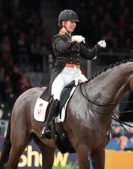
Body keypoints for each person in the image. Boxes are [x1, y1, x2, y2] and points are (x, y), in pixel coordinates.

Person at [41, 9, 106, 138]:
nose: (74, 24)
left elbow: (88, 54)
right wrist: (73, 40)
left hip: (76, 73)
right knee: (57, 96)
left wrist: (98, 46)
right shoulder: (57, 38)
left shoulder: (75, 40)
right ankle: (47, 126)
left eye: (75, 22)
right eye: (71, 22)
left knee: (92, 92)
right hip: (62, 74)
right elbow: (63, 48)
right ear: (63, 23)